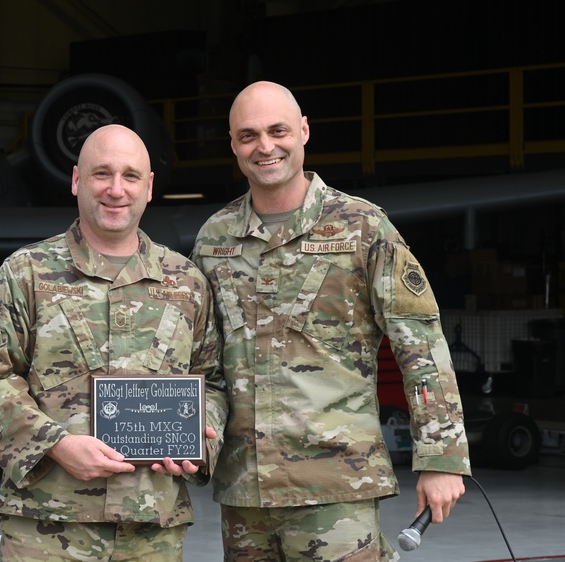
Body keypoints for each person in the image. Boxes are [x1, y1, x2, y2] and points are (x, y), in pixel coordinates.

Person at [191, 81, 472, 561]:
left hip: (336, 488)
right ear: (233, 145)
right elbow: (204, 362)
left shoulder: (362, 227)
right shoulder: (214, 240)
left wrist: (442, 458)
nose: (265, 146)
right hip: (244, 494)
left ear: (303, 131)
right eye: (248, 135)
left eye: (278, 130)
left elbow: (420, 345)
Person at [0, 124, 228, 561]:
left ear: (149, 187)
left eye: (130, 176)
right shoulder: (26, 273)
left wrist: (199, 444)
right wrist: (56, 445)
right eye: (102, 174)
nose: (116, 190)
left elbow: (213, 381)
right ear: (76, 180)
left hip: (151, 529)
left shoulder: (187, 283)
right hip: (48, 528)